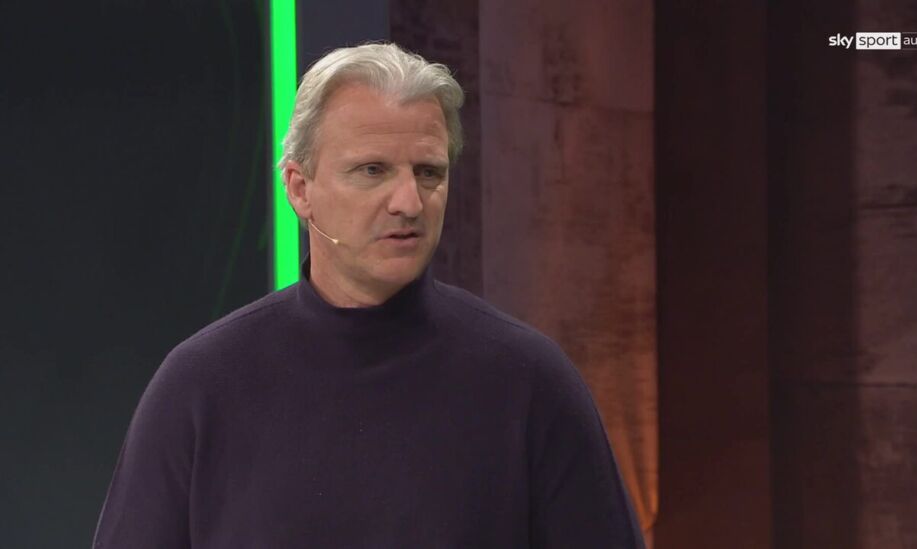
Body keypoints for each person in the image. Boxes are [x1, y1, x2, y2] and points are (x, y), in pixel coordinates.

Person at [92, 42, 645, 548]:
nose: (409, 202)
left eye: (428, 172)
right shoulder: (200, 385)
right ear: (300, 189)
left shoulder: (530, 381)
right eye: (372, 170)